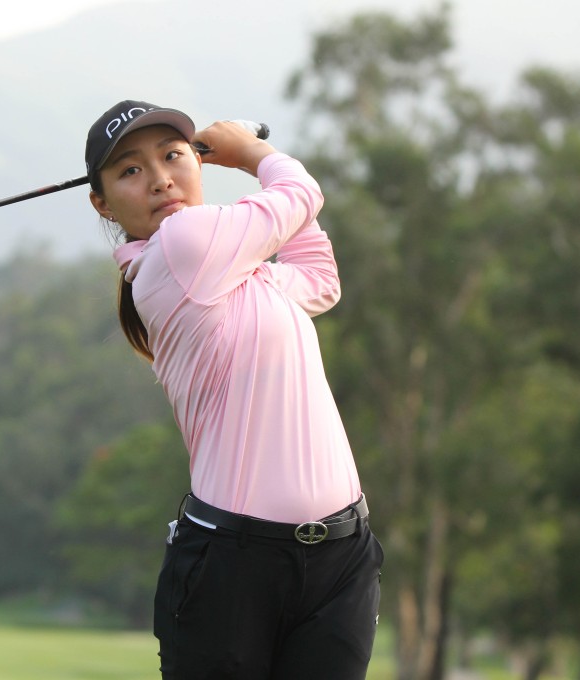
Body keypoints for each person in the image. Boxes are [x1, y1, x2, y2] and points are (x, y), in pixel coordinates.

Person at [84, 100, 384, 680]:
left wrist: (257, 172)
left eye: (173, 156)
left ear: (197, 163)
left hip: (341, 557)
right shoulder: (182, 246)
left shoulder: (237, 269)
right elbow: (301, 195)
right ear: (102, 202)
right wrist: (252, 154)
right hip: (234, 564)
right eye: (131, 170)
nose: (161, 179)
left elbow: (320, 280)